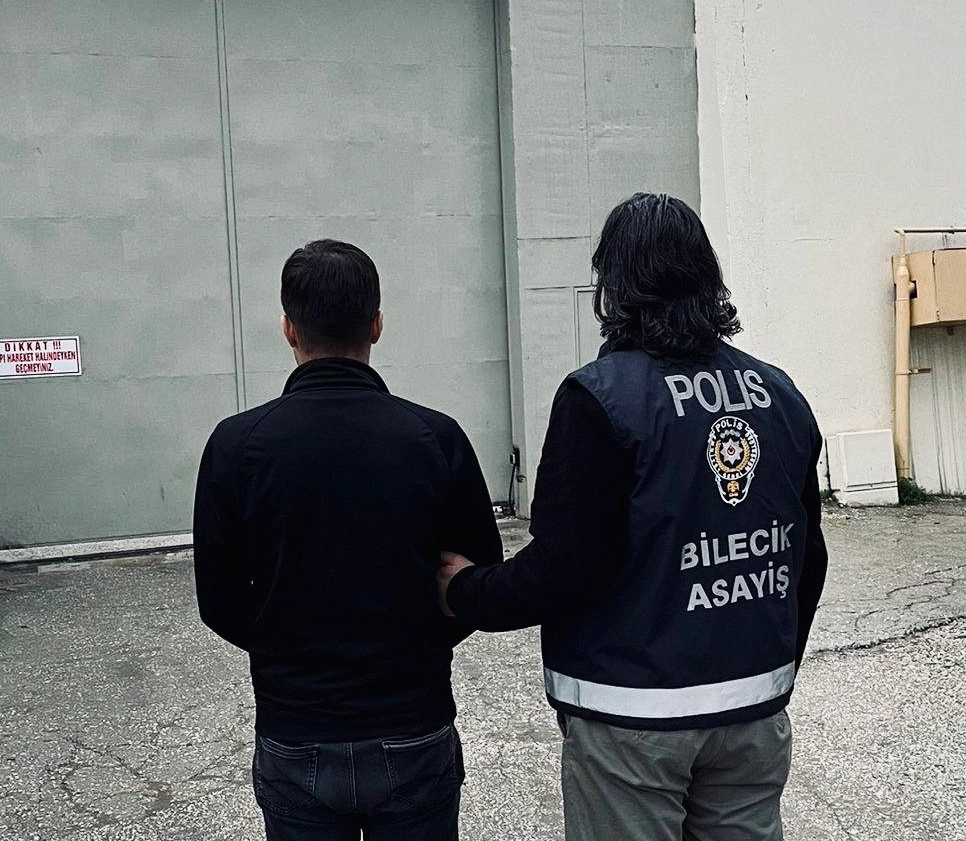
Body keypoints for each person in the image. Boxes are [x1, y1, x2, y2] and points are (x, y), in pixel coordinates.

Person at [438, 194, 829, 841]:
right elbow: (806, 556)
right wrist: (769, 668)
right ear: (707, 278)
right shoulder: (779, 395)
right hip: (752, 714)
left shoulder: (601, 398)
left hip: (632, 719)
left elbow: (565, 567)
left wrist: (467, 590)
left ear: (614, 287)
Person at [194, 239, 502, 840]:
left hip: (296, 728)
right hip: (413, 723)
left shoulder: (236, 445)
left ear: (288, 328)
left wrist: (287, 648)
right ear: (377, 325)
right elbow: (477, 581)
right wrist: (417, 642)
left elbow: (219, 601)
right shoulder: (435, 438)